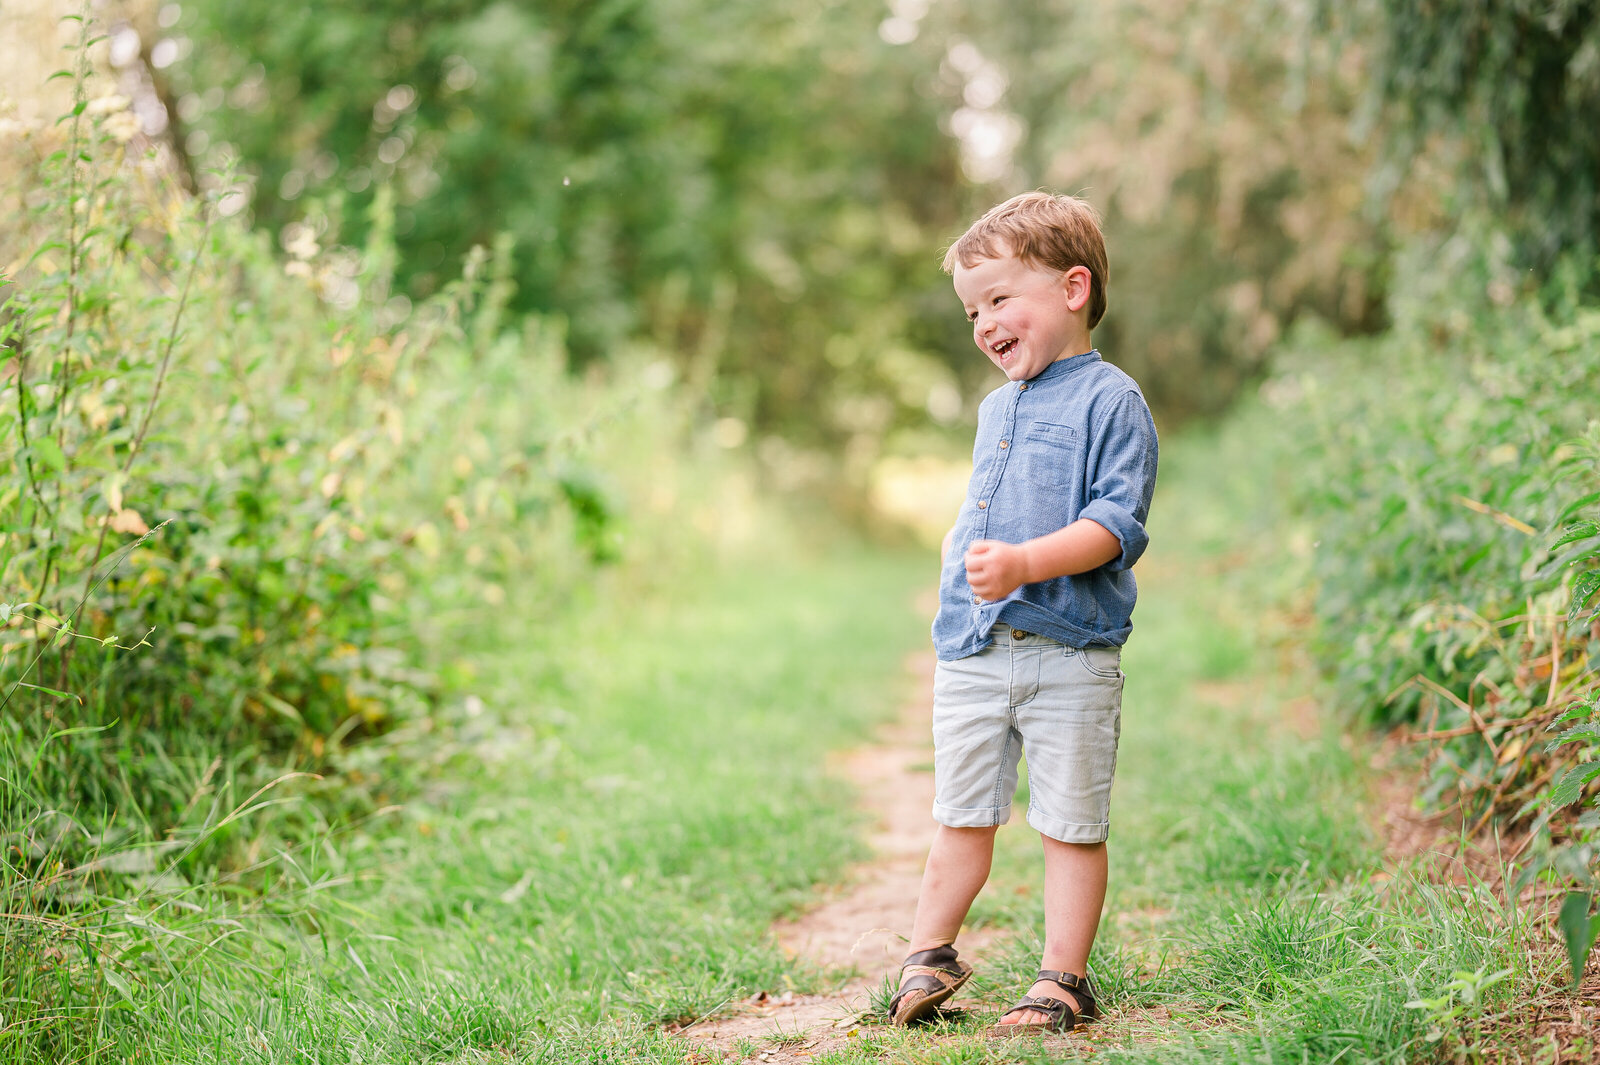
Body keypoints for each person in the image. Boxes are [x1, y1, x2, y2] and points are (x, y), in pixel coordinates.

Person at [887, 191, 1158, 1036]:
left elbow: (1116, 525)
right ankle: (930, 952)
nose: (984, 323)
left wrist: (1026, 563)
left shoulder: (1112, 399)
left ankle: (1062, 978)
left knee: (1070, 823)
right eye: (973, 309)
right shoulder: (994, 408)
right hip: (975, 646)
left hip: (1070, 653)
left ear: (1073, 288)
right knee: (961, 812)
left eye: (1000, 299)